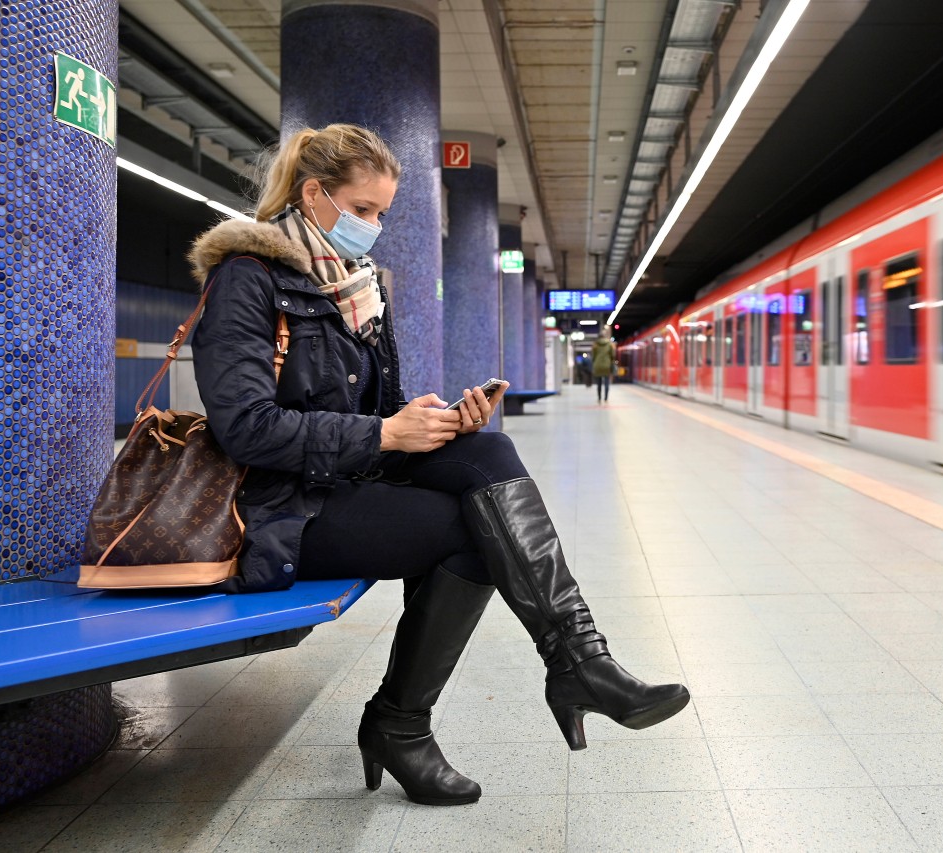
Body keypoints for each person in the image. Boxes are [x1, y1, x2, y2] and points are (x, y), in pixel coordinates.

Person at [188, 124, 688, 807]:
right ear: (313, 194)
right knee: (469, 529)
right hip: (279, 508)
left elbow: (382, 410)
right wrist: (387, 432)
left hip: (346, 479)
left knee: (487, 452)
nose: (374, 226)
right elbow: (245, 429)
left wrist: (438, 419)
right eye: (362, 209)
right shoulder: (245, 280)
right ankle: (409, 720)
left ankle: (578, 657)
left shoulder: (359, 288)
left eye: (382, 213)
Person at [590, 332, 616, 403]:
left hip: (597, 365)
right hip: (607, 365)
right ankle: (606, 398)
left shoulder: (595, 345)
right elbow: (612, 355)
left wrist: (594, 362)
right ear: (604, 337)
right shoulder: (610, 344)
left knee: (599, 383)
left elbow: (593, 356)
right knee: (607, 382)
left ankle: (599, 397)